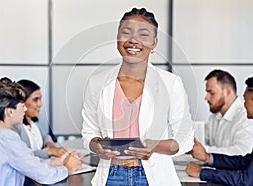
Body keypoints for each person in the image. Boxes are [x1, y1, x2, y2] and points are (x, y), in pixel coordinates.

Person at [82, 8, 194, 186]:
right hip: (111, 175)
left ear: (154, 42)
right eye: (126, 32)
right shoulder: (97, 82)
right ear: (117, 37)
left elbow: (186, 138)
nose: (133, 40)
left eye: (143, 34)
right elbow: (89, 132)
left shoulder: (170, 83)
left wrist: (155, 146)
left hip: (153, 176)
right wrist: (97, 147)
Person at [0, 77, 82, 186]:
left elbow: (25, 163)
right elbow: (43, 175)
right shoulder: (6, 138)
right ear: (10, 112)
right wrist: (68, 168)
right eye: (22, 106)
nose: (25, 110)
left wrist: (55, 162)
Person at [185, 74, 253, 185]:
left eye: (245, 100)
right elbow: (247, 162)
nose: (244, 105)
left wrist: (202, 173)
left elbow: (246, 180)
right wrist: (208, 157)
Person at [200, 69, 253, 155]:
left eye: (211, 93)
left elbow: (242, 152)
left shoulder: (246, 117)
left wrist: (204, 152)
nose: (206, 98)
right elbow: (202, 140)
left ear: (228, 92)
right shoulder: (214, 118)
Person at [13, 79, 67, 158]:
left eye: (40, 99)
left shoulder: (34, 123)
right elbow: (23, 156)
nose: (40, 104)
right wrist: (49, 151)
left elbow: (45, 137)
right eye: (35, 99)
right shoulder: (15, 128)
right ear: (22, 102)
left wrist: (50, 145)